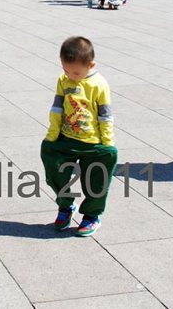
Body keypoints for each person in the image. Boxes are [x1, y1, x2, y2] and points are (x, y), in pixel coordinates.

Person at [40, 36, 117, 237]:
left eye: (76, 72)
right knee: (57, 171)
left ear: (91, 65)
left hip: (93, 142)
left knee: (96, 179)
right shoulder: (63, 81)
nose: (70, 75)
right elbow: (57, 109)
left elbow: (105, 116)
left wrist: (107, 143)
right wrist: (52, 135)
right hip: (66, 138)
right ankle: (65, 206)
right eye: (66, 70)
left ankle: (92, 215)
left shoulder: (99, 85)